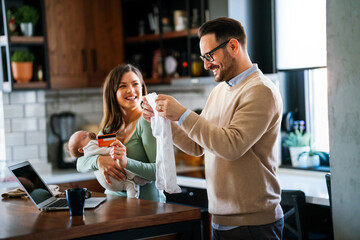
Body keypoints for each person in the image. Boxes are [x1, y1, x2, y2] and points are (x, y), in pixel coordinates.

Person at [143, 17, 284, 239]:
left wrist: (183, 114)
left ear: (233, 46)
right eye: (204, 57)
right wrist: (165, 121)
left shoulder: (260, 91)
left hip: (253, 224)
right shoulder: (219, 91)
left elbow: (231, 146)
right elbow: (197, 145)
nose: (206, 64)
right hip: (220, 219)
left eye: (210, 56)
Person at [77, 64, 165, 203]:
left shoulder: (145, 122)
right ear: (112, 93)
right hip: (113, 205)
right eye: (122, 86)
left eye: (135, 84)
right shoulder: (110, 128)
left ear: (142, 88)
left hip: (146, 206)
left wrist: (126, 162)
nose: (131, 90)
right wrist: (98, 160)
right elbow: (80, 163)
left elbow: (160, 172)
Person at [68, 130, 151, 198]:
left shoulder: (144, 125)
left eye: (86, 132)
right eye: (84, 136)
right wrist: (98, 160)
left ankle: (132, 198)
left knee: (130, 185)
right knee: (129, 174)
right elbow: (79, 164)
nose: (89, 133)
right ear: (81, 150)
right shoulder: (98, 138)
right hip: (111, 196)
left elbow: (156, 171)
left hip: (146, 201)